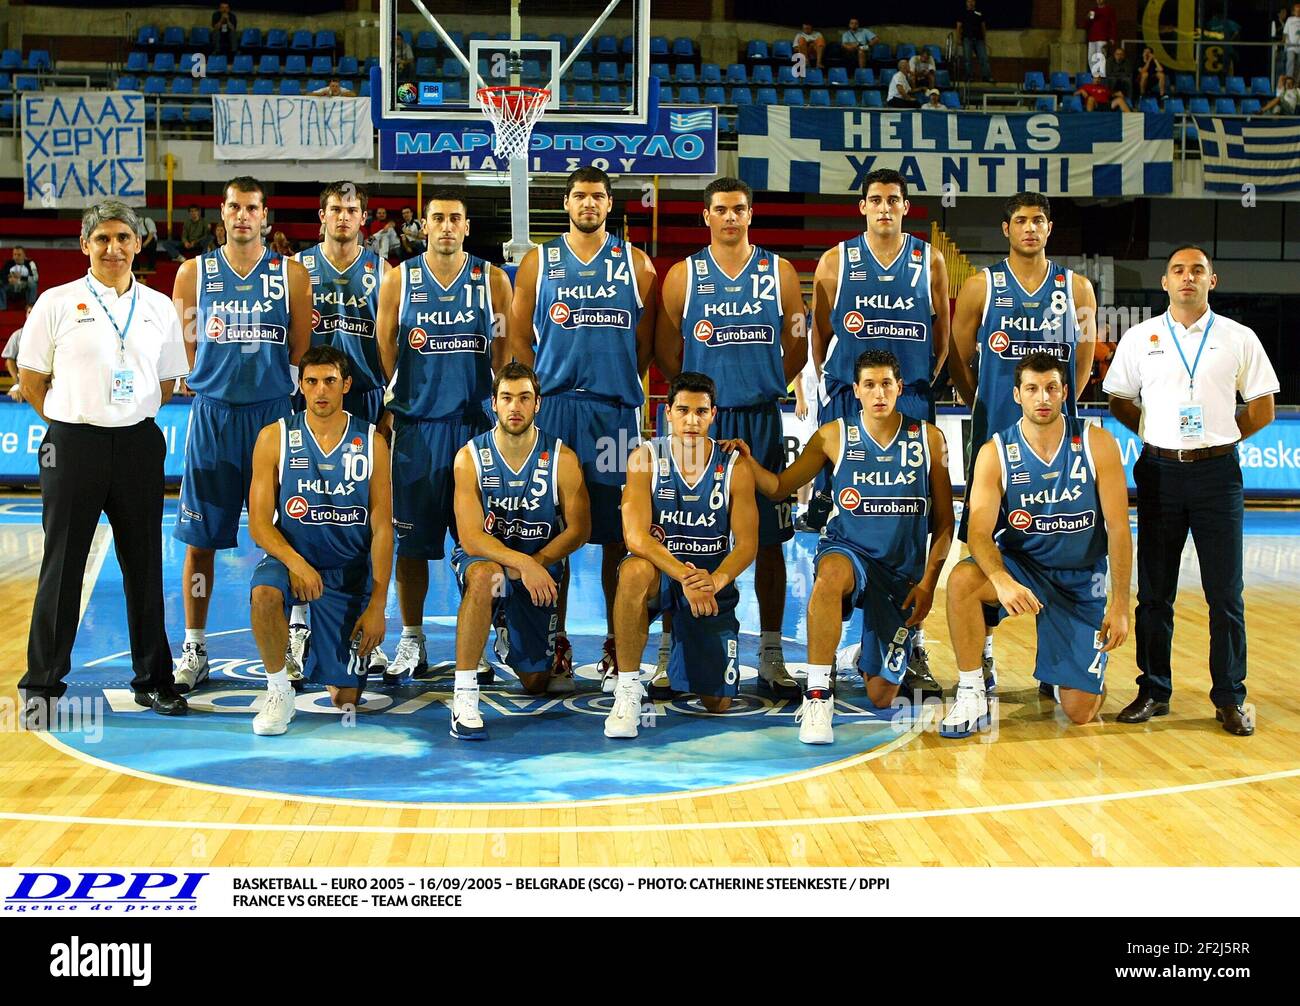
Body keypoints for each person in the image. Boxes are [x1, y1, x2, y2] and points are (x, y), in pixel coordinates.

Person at [17, 200, 191, 727]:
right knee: (62, 567)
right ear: (84, 245)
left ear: (139, 244)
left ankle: (154, 681)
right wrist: (68, 420)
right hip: (74, 445)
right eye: (102, 239)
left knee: (144, 569)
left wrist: (128, 413)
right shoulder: (56, 301)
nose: (113, 248)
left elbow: (165, 381)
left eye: (123, 238)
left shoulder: (160, 306)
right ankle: (42, 686)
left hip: (138, 444)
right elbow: (30, 375)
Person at [728, 349, 954, 744]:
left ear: (900, 388)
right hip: (849, 552)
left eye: (886, 383)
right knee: (830, 574)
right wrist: (747, 462)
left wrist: (930, 582)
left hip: (901, 573)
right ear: (856, 390)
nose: (879, 392)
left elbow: (945, 523)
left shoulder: (929, 439)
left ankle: (861, 656)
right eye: (870, 384)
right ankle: (818, 695)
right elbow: (781, 486)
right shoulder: (834, 435)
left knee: (881, 696)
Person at [1103, 246, 1279, 736]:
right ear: (1165, 282)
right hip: (1159, 472)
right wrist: (1160, 432)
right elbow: (1119, 399)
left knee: (1226, 594)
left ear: (1212, 280)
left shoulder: (1238, 337)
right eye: (1178, 271)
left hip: (1217, 476)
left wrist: (1216, 438)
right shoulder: (1141, 338)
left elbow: (1263, 407)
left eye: (1196, 271)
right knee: (1155, 593)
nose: (1187, 278)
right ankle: (1154, 690)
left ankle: (1230, 696)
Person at [653, 177, 807, 700]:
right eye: (721, 210)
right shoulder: (682, 276)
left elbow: (797, 349)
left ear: (749, 214)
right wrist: (702, 404)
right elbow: (668, 353)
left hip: (760, 419)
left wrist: (758, 386)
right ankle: (669, 646)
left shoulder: (779, 273)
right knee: (678, 535)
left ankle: (770, 651)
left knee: (767, 540)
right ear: (706, 216)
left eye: (739, 209)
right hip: (700, 421)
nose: (730, 218)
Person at [507, 167, 659, 692]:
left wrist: (613, 381)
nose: (588, 203)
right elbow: (519, 342)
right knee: (555, 532)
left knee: (618, 538)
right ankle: (555, 637)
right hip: (555, 414)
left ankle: (619, 643)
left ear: (610, 204)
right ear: (566, 202)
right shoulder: (538, 262)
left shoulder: (636, 265)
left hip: (613, 414)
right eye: (579, 196)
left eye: (597, 196)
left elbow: (646, 345)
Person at [808, 168, 951, 695]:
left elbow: (940, 338)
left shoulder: (928, 259)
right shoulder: (834, 261)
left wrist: (911, 389)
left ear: (906, 207)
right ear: (862, 207)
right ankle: (839, 618)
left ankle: (906, 644)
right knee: (851, 520)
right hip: (854, 398)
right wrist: (848, 392)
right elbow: (820, 339)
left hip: (906, 394)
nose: (885, 207)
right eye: (875, 200)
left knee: (911, 524)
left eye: (894, 199)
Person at [948, 192, 1097, 687]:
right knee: (984, 546)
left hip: (1058, 444)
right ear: (1005, 229)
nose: (1029, 228)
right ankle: (984, 650)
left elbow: (1081, 363)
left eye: (1038, 220)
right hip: (997, 444)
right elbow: (958, 354)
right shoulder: (979, 287)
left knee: (1059, 543)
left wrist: (1055, 408)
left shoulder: (1076, 289)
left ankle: (1060, 656)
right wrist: (984, 405)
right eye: (1020, 221)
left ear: (1049, 228)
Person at [172, 176, 313, 692]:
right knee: (201, 539)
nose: (242, 216)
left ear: (265, 217)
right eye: (234, 207)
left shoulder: (291, 276)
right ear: (222, 215)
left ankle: (296, 636)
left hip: (273, 416)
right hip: (213, 417)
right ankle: (194, 645)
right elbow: (188, 352)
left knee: (289, 533)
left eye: (252, 208)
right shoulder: (193, 273)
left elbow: (299, 351)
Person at [943, 351, 1131, 738]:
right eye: (1032, 389)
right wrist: (1001, 579)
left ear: (1065, 392)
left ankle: (1076, 673)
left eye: (1050, 388)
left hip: (1080, 580)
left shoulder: (1097, 443)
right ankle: (971, 690)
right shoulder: (995, 452)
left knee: (1079, 711)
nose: (1042, 398)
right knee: (963, 581)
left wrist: (1122, 604)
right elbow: (978, 532)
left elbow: (1118, 529)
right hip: (1024, 567)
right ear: (1017, 395)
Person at [376, 190, 512, 684]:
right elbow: (385, 349)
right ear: (424, 226)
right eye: (438, 219)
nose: (447, 227)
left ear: (467, 226)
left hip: (473, 430)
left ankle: (489, 634)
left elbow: (504, 353)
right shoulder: (400, 279)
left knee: (482, 544)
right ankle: (412, 640)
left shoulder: (491, 280)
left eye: (456, 218)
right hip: (416, 429)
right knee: (411, 546)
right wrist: (407, 399)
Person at [245, 345, 392, 735]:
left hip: (347, 570)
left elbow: (383, 528)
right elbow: (259, 526)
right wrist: (297, 563)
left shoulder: (373, 441)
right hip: (295, 560)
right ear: (301, 386)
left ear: (346, 384)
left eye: (329, 381)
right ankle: (279, 691)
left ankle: (317, 642)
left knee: (345, 699)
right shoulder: (274, 437)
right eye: (311, 382)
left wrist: (379, 604)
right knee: (264, 594)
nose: (321, 391)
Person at [605, 371, 758, 738]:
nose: (692, 420)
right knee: (633, 571)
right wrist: (684, 577)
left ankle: (680, 651)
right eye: (683, 410)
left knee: (716, 703)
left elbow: (748, 544)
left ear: (713, 414)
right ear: (668, 413)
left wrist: (715, 580)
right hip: (666, 575)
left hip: (708, 583)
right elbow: (635, 537)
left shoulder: (734, 467)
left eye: (701, 412)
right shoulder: (645, 458)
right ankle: (627, 689)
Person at [447, 361, 592, 739]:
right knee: (485, 576)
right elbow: (471, 538)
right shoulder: (470, 457)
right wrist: (522, 563)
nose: (515, 407)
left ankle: (508, 632)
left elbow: (580, 529)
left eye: (524, 398)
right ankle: (464, 695)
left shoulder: (561, 457)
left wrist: (537, 563)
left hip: (536, 566)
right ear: (493, 403)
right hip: (491, 559)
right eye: (507, 398)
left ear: (538, 404)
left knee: (534, 682)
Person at [286, 181, 392, 683]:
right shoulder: (298, 269)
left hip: (366, 399)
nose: (344, 217)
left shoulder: (383, 271)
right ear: (321, 217)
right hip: (311, 400)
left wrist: (390, 401)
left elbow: (394, 342)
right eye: (335, 209)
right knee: (303, 511)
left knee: (363, 519)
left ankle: (363, 633)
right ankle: (299, 622)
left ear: (363, 219)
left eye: (352, 210)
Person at [956, 0, 993, 83]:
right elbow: (958, 27)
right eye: (969, 1)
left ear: (975, 2)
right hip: (967, 39)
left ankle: (986, 77)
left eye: (972, 1)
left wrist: (984, 39)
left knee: (984, 58)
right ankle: (969, 77)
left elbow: (983, 26)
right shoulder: (962, 13)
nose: (970, 3)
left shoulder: (979, 13)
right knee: (967, 60)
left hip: (979, 40)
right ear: (966, 3)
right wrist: (958, 39)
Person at [3, 306, 28, 401]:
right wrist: (18, 383)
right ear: (26, 314)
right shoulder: (18, 335)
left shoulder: (48, 335)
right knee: (13, 396)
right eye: (29, 312)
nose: (32, 314)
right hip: (22, 379)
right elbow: (9, 360)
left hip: (45, 382)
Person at [1087, 1, 1117, 78]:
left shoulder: (1109, 10)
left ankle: (1101, 76)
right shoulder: (1093, 10)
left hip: (1103, 37)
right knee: (1091, 57)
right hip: (1092, 37)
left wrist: (1112, 37)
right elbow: (1088, 23)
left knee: (1100, 56)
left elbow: (1113, 24)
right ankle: (1095, 76)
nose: (1099, 0)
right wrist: (1089, 18)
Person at [1286, 4, 1300, 80]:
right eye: (1296, 10)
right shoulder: (1289, 19)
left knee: (1298, 65)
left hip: (1299, 47)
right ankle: (1289, 81)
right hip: (1291, 46)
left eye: (1299, 11)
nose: (1298, 12)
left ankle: (1297, 83)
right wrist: (1285, 41)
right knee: (1290, 63)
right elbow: (1285, 32)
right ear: (1294, 11)